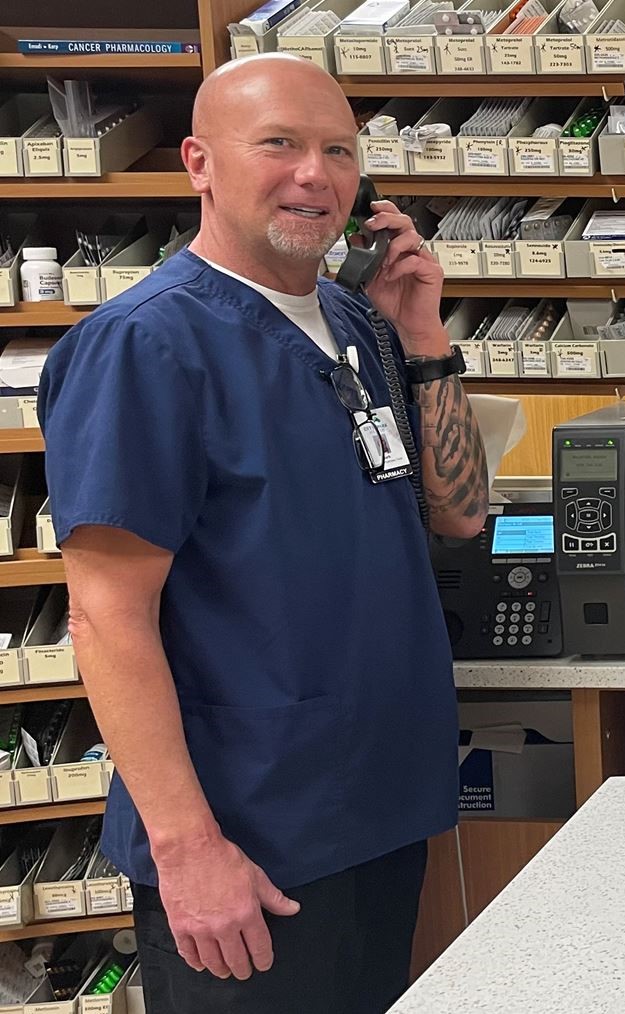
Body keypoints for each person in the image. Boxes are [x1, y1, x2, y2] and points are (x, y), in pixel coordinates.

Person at [37, 54, 487, 1013]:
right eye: (277, 143)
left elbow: (459, 513)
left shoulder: (352, 322)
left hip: (370, 814)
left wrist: (423, 337)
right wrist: (190, 850)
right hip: (251, 843)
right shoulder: (145, 346)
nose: (314, 175)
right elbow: (107, 619)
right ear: (199, 161)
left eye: (337, 150)